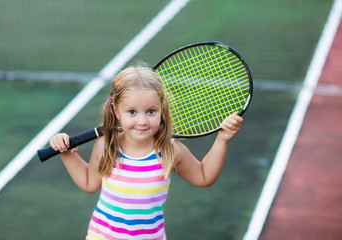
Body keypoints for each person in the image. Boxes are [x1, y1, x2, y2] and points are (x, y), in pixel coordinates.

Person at [49, 65, 243, 240]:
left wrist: (222, 139)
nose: (142, 121)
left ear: (161, 109)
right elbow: (89, 183)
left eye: (151, 111)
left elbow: (203, 176)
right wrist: (67, 154)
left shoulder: (170, 150)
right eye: (132, 112)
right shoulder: (106, 144)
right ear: (116, 111)